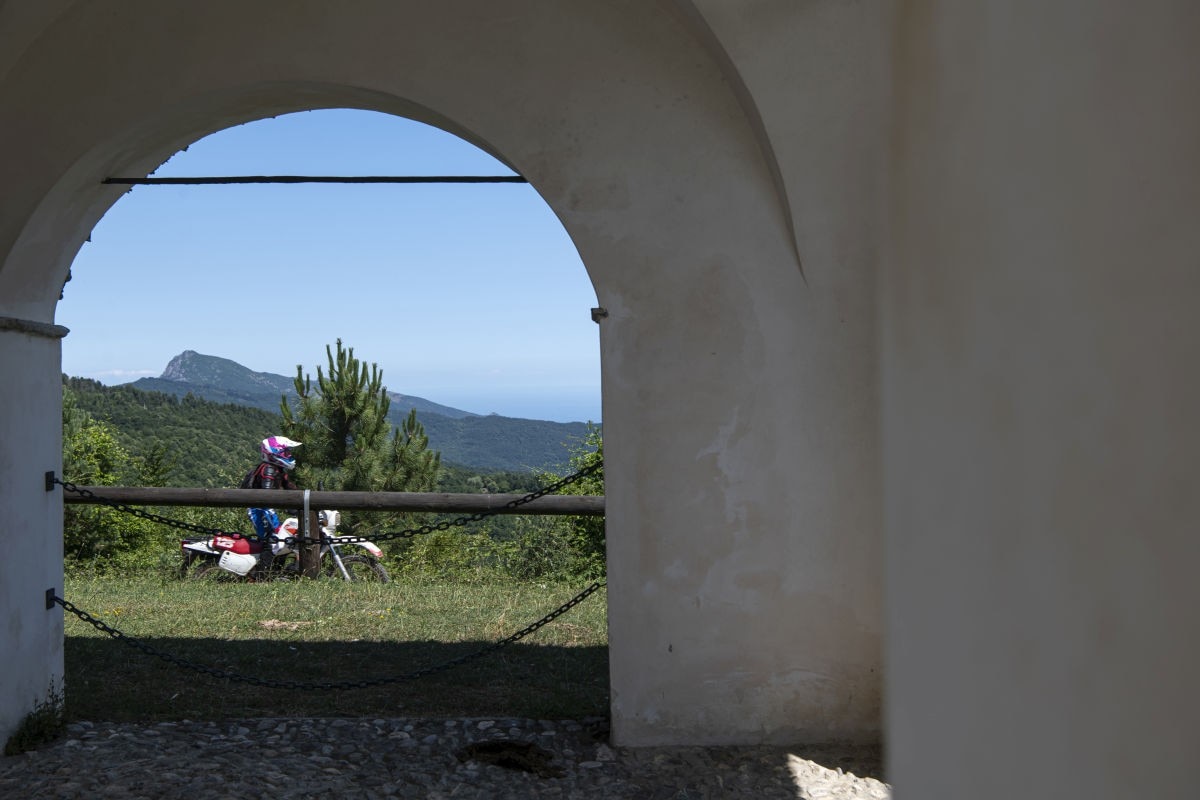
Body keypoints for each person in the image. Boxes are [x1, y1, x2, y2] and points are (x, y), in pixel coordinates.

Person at [239, 435, 301, 572]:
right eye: (286, 452)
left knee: (282, 540)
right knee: (271, 542)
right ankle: (262, 575)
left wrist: (304, 501)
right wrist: (288, 507)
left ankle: (274, 572)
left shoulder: (278, 469)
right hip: (260, 510)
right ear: (274, 453)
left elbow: (290, 488)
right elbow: (268, 495)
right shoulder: (269, 469)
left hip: (266, 508)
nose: (289, 455)